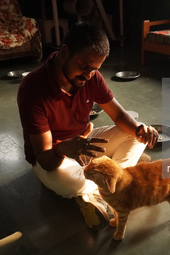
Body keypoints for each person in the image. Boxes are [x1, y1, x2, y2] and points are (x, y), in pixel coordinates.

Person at [17, 22, 158, 231]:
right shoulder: (33, 90)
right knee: (71, 183)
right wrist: (63, 148)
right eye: (84, 66)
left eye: (95, 69)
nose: (89, 76)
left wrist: (139, 129)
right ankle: (110, 180)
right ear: (64, 52)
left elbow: (118, 114)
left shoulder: (91, 77)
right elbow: (44, 158)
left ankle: (99, 188)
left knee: (135, 136)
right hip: (55, 155)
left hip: (85, 142)